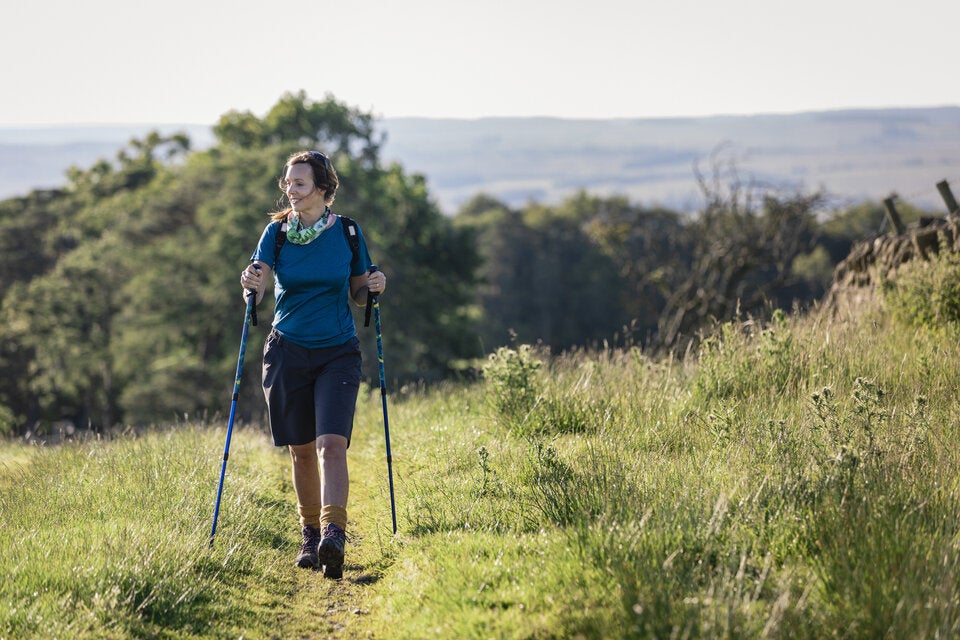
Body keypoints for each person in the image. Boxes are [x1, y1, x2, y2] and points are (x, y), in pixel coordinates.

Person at [240, 150, 386, 579]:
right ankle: (308, 535)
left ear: (323, 189)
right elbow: (258, 280)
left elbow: (361, 292)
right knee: (301, 450)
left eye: (299, 183)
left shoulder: (348, 233)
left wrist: (376, 284)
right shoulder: (277, 233)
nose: (290, 189)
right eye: (287, 182)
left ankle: (333, 534)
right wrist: (250, 285)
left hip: (338, 352)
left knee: (330, 444)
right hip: (287, 351)